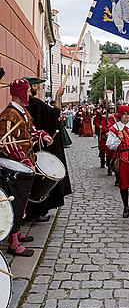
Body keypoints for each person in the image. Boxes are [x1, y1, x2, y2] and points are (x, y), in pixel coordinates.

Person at [0, 79, 53, 256]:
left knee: (22, 202)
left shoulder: (23, 113)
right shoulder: (9, 115)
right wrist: (23, 159)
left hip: (24, 164)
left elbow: (30, 131)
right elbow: (6, 142)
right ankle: (13, 243)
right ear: (20, 92)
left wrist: (42, 135)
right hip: (14, 168)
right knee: (16, 202)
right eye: (28, 91)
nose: (30, 94)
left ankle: (17, 233)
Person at [24, 77, 72, 222]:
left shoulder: (28, 105)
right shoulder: (35, 103)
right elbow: (54, 116)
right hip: (33, 149)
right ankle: (35, 212)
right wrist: (58, 97)